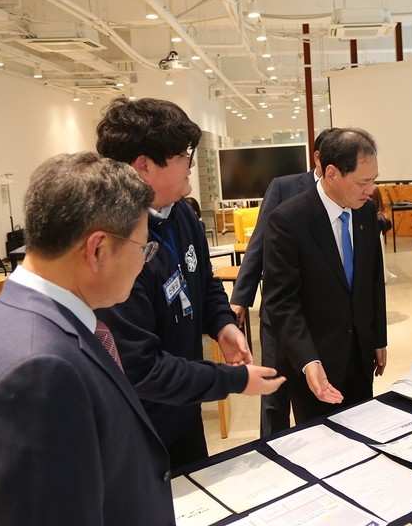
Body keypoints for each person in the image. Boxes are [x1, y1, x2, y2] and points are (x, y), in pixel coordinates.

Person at [0, 152, 174, 525]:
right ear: (97, 249)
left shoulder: (7, 317)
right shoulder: (40, 372)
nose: (145, 262)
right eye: (144, 248)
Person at [96, 97, 283, 468]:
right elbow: (141, 368)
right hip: (140, 428)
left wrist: (223, 325)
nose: (192, 165)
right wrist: (232, 381)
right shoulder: (117, 245)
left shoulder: (182, 214)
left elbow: (204, 282)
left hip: (185, 405)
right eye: (183, 155)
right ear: (144, 166)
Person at [261, 128, 388, 424]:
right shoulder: (288, 221)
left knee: (364, 431)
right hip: (316, 363)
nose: (371, 190)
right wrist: (308, 360)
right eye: (363, 182)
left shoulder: (365, 213)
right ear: (332, 174)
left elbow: (373, 281)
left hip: (360, 355)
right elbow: (281, 303)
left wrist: (378, 338)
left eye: (374, 180)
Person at [230, 128, 334, 436]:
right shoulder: (284, 187)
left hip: (320, 318)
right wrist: (240, 298)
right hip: (279, 314)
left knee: (315, 394)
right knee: (274, 395)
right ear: (318, 158)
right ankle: (271, 451)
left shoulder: (345, 195)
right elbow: (258, 243)